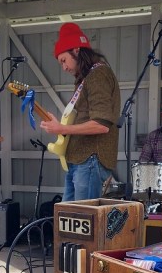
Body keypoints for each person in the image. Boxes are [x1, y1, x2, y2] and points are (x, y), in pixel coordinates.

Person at [40, 22, 120, 201]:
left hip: (90, 158)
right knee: (68, 215)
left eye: (63, 60)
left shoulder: (98, 75)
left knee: (83, 215)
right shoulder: (87, 77)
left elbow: (101, 124)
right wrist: (61, 126)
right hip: (79, 159)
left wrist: (62, 129)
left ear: (76, 50)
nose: (64, 67)